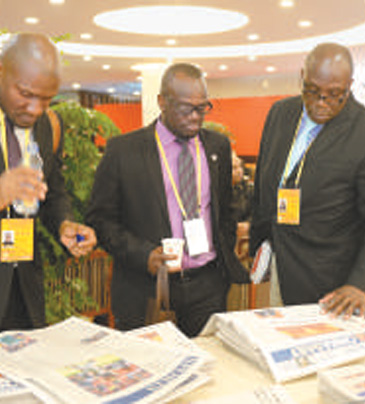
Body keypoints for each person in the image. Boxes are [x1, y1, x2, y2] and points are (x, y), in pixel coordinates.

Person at [86, 62, 248, 337]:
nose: (195, 117)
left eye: (202, 108)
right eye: (186, 108)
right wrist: (143, 254)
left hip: (208, 286)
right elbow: (100, 220)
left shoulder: (217, 146)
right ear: (162, 102)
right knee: (149, 360)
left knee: (207, 360)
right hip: (147, 289)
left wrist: (222, 260)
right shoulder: (124, 151)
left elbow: (225, 211)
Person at [250, 42, 365, 318]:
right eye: (312, 91)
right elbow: (264, 180)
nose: (321, 102)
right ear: (302, 77)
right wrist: (259, 243)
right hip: (280, 268)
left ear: (349, 85)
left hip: (334, 287)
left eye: (334, 94)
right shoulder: (280, 114)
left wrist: (361, 283)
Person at [0, 32, 97, 337]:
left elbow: (53, 188)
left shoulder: (46, 124)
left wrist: (64, 224)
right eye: (25, 93)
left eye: (46, 99)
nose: (35, 109)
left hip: (24, 289)